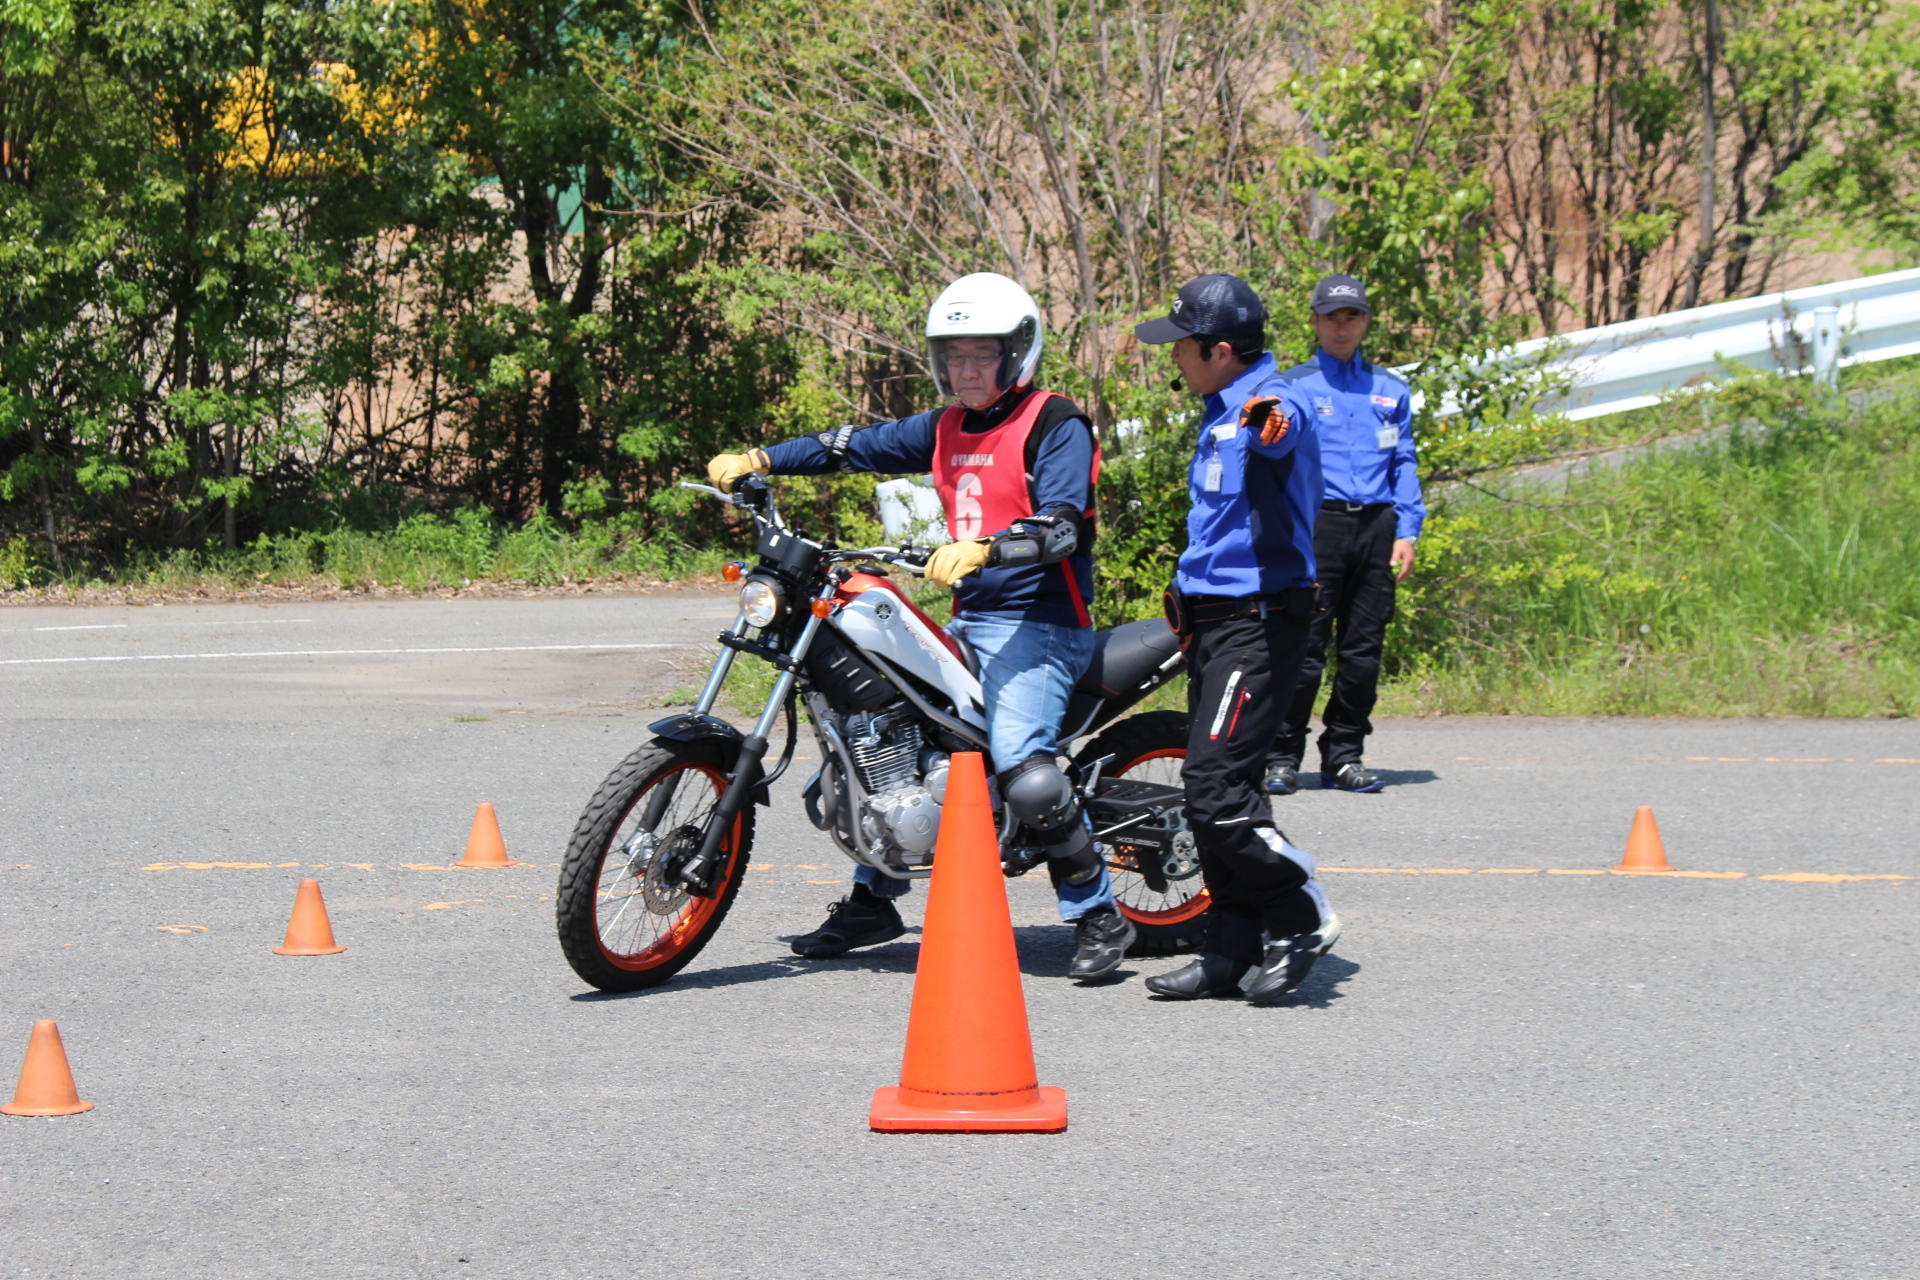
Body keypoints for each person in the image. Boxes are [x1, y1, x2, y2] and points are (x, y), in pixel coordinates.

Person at [704, 271, 1137, 980]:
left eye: (981, 355)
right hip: (972, 619)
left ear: (1016, 353)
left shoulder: (1056, 423)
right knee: (886, 733)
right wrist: (762, 458)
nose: (964, 371)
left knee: (1025, 774)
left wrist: (993, 548)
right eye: (953, 357)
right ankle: (875, 900)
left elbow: (1063, 526)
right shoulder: (942, 428)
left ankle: (1097, 914)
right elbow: (850, 446)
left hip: (1040, 625)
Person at [1131, 273, 1341, 1005]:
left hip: (1258, 626)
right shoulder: (1218, 411)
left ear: (1221, 351)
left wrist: (1272, 419)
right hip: (1217, 627)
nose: (1174, 358)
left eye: (1183, 346)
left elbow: (1288, 425)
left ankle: (1300, 910)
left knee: (1213, 789)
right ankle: (1229, 949)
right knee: (1229, 790)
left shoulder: (1269, 405)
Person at [1263, 274, 1425, 796]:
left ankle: (1345, 754)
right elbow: (1272, 464)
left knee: (1363, 650)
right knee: (1304, 646)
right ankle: (1282, 756)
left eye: (1351, 316)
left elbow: (1404, 462)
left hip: (1376, 526)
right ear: (1314, 322)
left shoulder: (1390, 389)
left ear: (1365, 322)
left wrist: (1408, 530)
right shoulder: (1294, 387)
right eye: (1332, 316)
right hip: (1318, 527)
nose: (1342, 325)